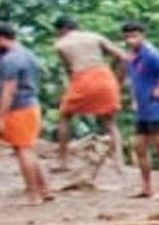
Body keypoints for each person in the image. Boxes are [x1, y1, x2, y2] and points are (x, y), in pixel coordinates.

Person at [0, 26, 49, 202]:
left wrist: (0, 117)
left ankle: (33, 194)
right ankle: (44, 190)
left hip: (19, 108)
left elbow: (9, 90)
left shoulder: (10, 59)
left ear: (0, 39)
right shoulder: (27, 54)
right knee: (28, 148)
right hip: (31, 104)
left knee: (22, 150)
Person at [49, 19, 123, 168]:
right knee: (109, 121)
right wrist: (115, 76)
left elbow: (69, 69)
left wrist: (74, 86)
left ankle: (63, 161)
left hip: (82, 77)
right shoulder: (95, 36)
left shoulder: (60, 44)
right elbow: (122, 56)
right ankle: (118, 161)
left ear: (61, 30)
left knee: (65, 117)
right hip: (104, 75)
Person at [118, 23, 159, 197]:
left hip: (154, 108)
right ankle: (146, 187)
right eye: (127, 37)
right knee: (139, 147)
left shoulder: (150, 54)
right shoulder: (132, 58)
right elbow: (133, 81)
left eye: (134, 36)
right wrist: (134, 99)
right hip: (142, 109)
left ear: (143, 35)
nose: (130, 40)